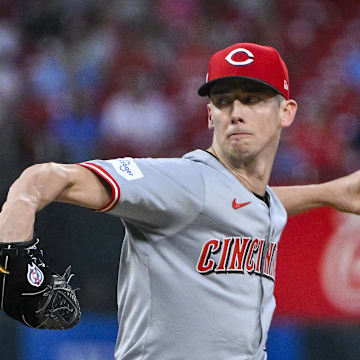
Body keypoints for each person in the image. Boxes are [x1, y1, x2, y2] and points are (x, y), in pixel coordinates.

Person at [1, 42, 360, 359]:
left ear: (287, 112)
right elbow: (44, 178)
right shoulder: (183, 182)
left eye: (252, 99)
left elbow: (246, 203)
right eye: (222, 101)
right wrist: (15, 255)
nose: (236, 111)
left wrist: (330, 193)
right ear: (209, 115)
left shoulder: (245, 198)